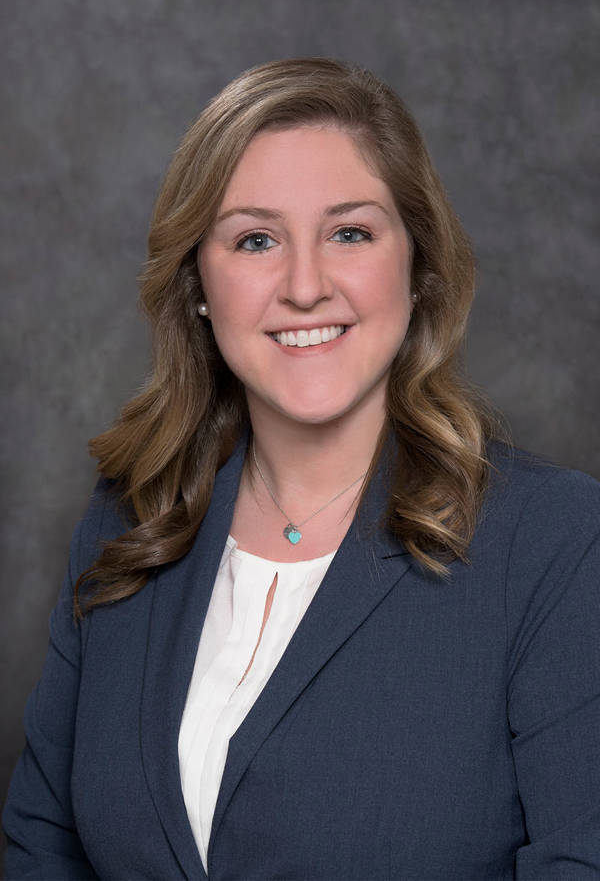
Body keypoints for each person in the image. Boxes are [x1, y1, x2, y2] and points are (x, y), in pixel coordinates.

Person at [3, 57, 600, 880]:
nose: (306, 286)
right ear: (199, 288)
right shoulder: (126, 525)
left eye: (349, 232)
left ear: (418, 269)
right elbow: (42, 848)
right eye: (256, 240)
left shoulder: (557, 543)